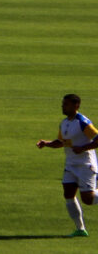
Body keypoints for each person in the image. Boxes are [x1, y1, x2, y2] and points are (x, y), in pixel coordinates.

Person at [37, 93, 98, 237]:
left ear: (76, 106)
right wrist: (47, 143)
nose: (63, 106)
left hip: (85, 165)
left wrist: (82, 148)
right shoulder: (64, 123)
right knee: (68, 194)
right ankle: (80, 229)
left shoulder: (83, 122)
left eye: (66, 104)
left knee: (88, 199)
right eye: (63, 104)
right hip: (70, 165)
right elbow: (62, 142)